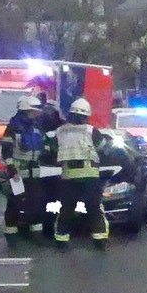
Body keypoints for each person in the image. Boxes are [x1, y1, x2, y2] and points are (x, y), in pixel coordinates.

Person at [53, 97, 108, 250]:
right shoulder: (91, 131)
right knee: (94, 208)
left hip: (68, 175)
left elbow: (51, 151)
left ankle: (61, 240)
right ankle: (99, 240)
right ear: (86, 115)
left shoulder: (60, 131)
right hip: (89, 174)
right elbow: (104, 149)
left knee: (66, 209)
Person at [0, 95, 46, 240]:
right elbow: (6, 151)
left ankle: (36, 234)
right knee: (14, 203)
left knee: (37, 202)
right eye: (34, 111)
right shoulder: (13, 127)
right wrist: (12, 170)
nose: (37, 113)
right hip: (18, 174)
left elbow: (41, 147)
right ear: (27, 110)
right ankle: (11, 234)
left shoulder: (36, 126)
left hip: (34, 173)